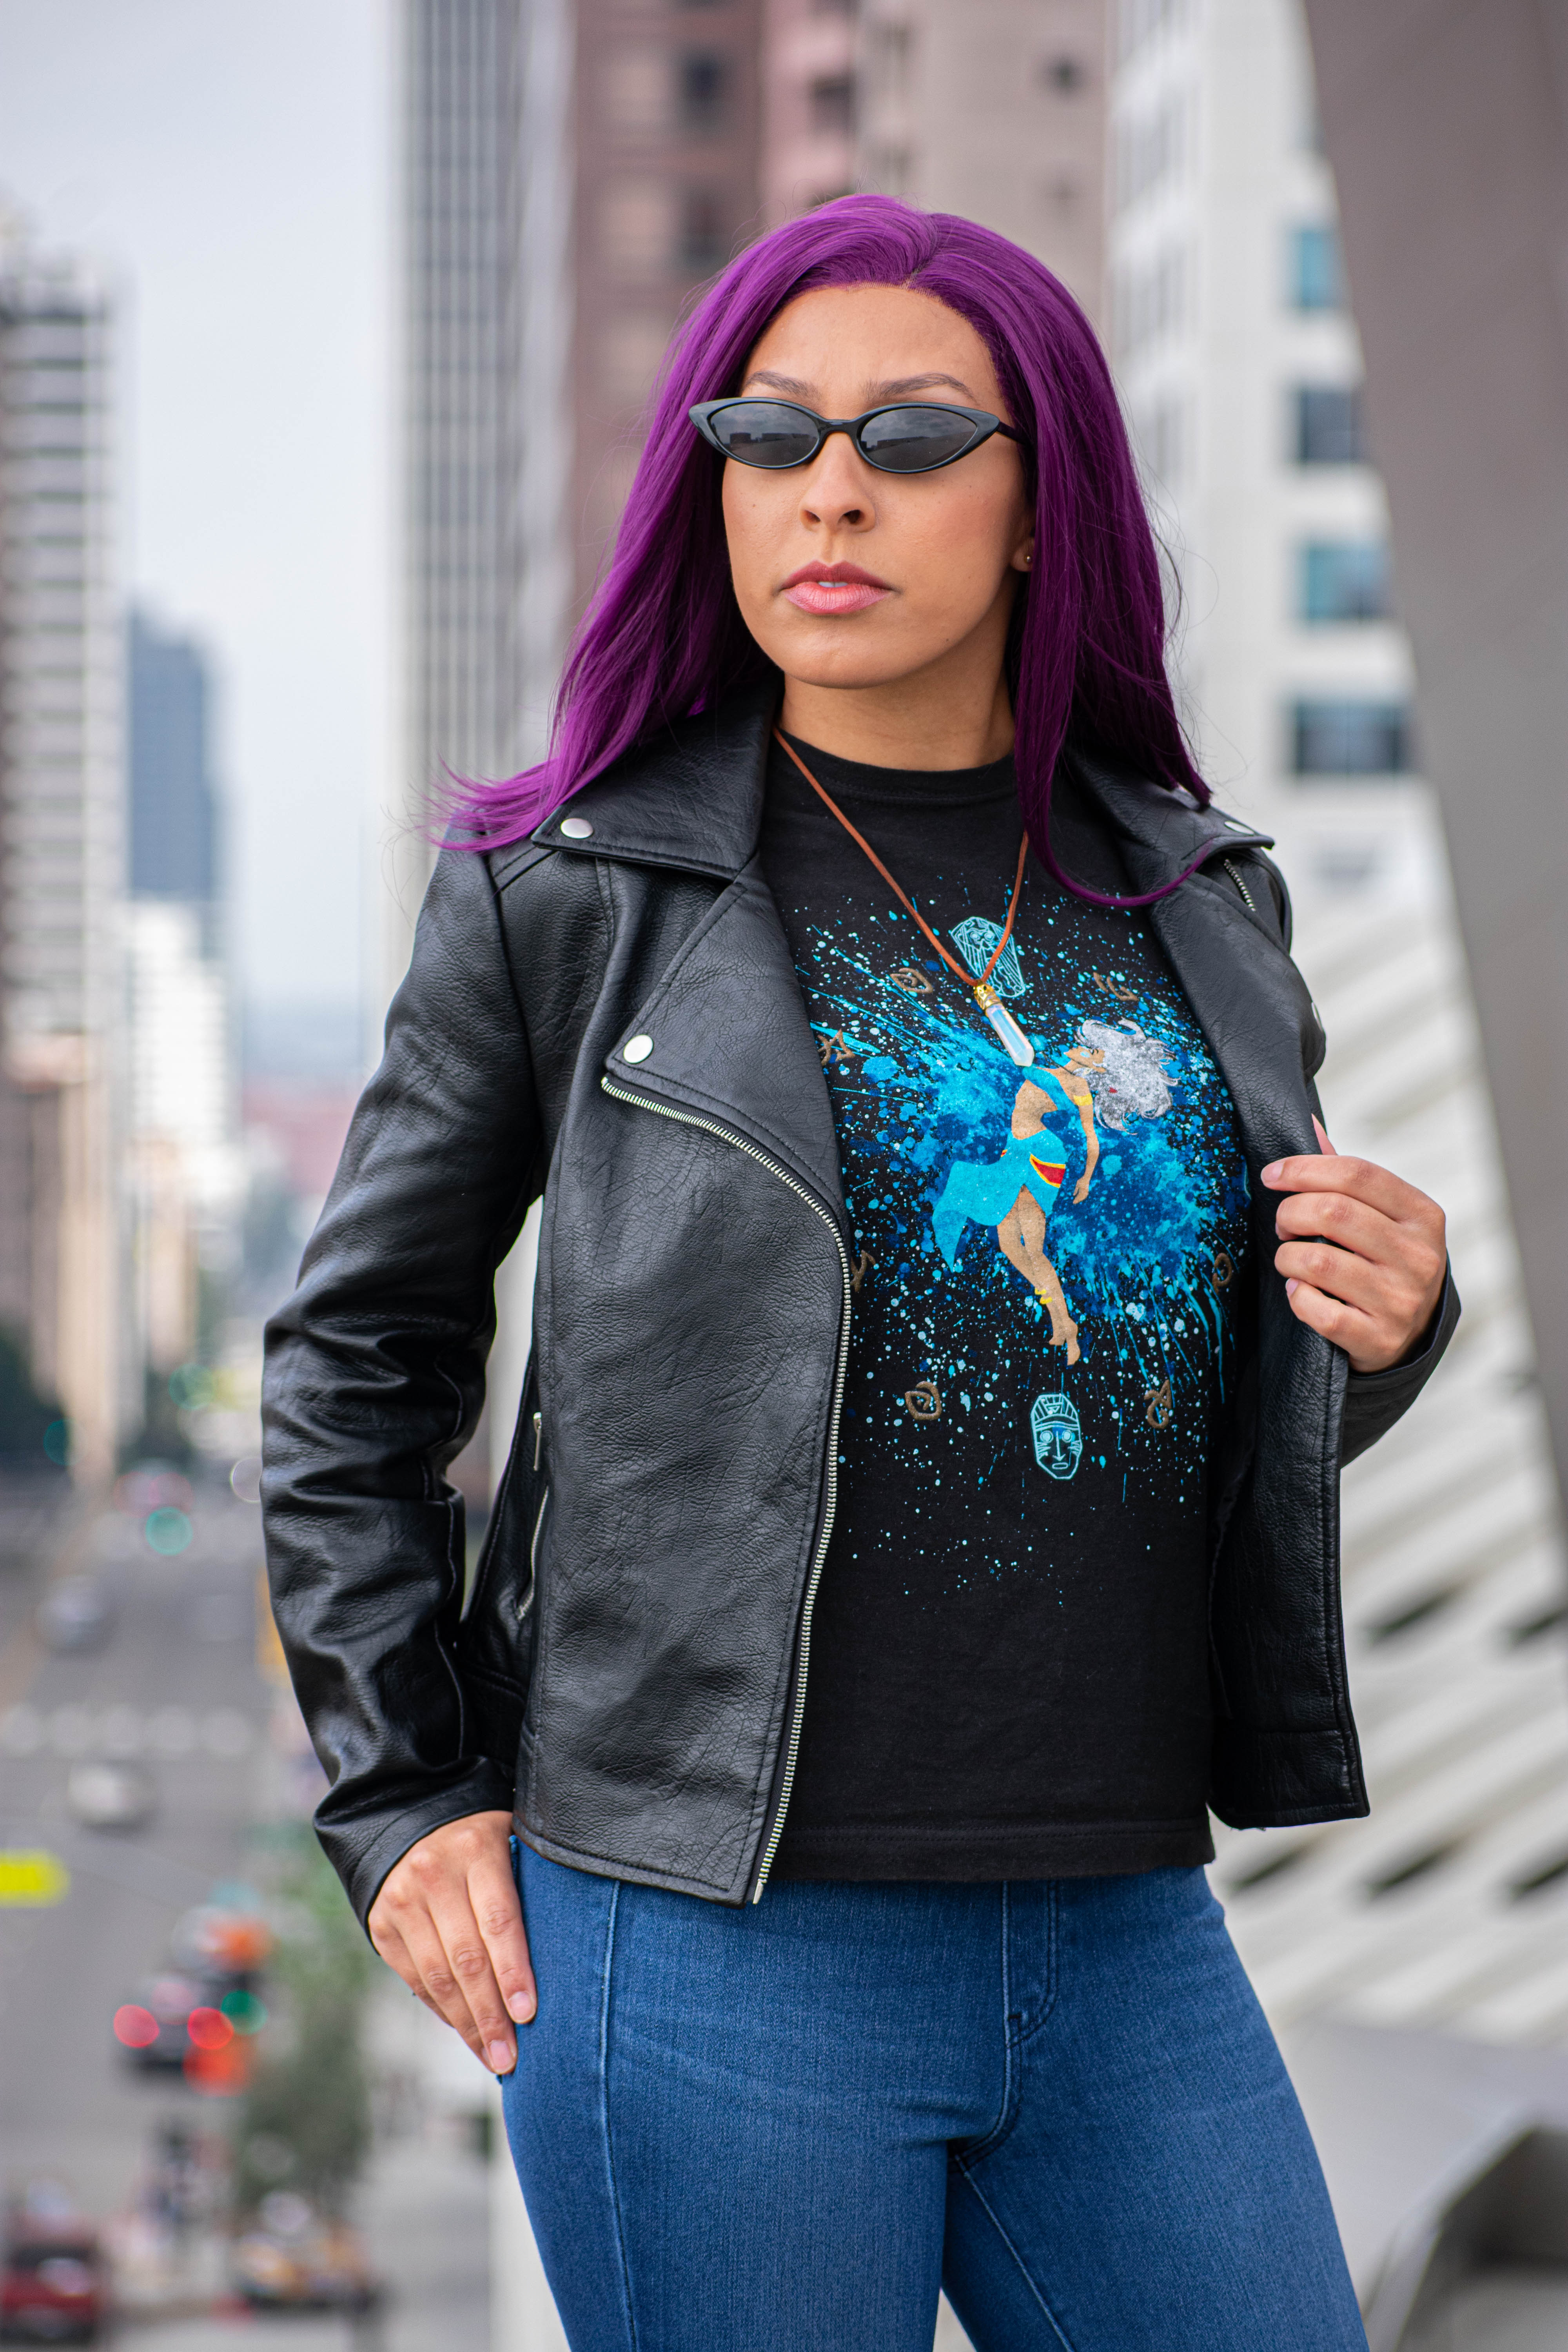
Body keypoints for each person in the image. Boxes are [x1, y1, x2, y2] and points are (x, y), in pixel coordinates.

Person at [262, 198, 1457, 2350]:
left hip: (1123, 1925)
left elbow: (1176, 1381)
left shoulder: (1200, 901)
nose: (828, 485)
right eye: (770, 430)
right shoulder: (573, 892)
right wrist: (403, 1794)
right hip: (710, 1938)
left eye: (912, 436)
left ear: (1038, 505)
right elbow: (357, 1361)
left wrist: (1386, 1322)